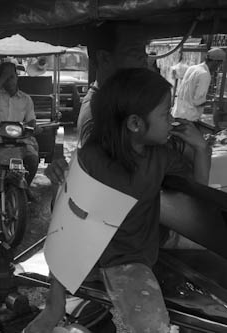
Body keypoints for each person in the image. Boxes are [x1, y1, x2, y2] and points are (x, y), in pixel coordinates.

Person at [25, 68, 211, 332]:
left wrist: (201, 148)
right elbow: (65, 227)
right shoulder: (92, 159)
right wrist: (55, 303)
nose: (172, 120)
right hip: (101, 258)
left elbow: (197, 194)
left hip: (135, 256)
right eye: (165, 113)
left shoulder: (160, 156)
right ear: (135, 124)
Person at [76, 22, 148, 144]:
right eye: (135, 51)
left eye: (144, 50)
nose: (144, 57)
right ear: (104, 58)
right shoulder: (97, 116)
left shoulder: (116, 101)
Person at [0, 61, 38, 202]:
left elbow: (31, 120)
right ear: (1, 80)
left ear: (17, 76)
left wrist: (33, 127)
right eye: (6, 78)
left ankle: (26, 187)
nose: (10, 80)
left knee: (33, 160)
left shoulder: (26, 99)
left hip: (20, 139)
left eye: (12, 76)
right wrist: (3, 77)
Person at [172, 47, 225, 122]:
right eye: (219, 64)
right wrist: (211, 104)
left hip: (178, 112)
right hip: (189, 117)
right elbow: (198, 101)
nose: (217, 68)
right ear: (216, 62)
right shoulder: (204, 74)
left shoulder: (192, 68)